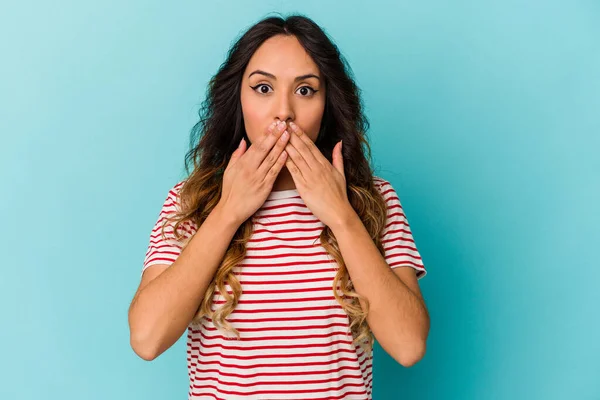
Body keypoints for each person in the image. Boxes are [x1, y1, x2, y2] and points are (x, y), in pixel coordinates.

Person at [128, 13, 430, 400]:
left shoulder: (375, 200)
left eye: (305, 90)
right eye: (263, 88)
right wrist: (228, 212)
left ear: (328, 104)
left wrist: (340, 214)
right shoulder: (190, 202)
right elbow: (147, 338)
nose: (283, 111)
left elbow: (409, 346)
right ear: (238, 99)